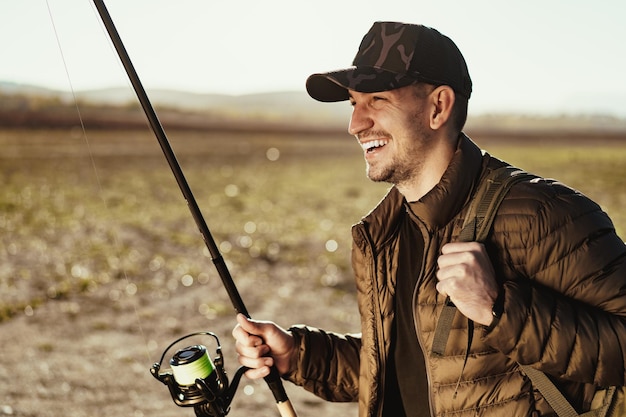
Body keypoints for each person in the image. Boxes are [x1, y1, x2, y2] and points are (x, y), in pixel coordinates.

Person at [232, 21, 626, 417]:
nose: (355, 125)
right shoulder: (380, 236)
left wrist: (500, 308)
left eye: (377, 100)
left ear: (438, 106)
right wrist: (298, 355)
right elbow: (400, 366)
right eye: (354, 103)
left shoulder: (542, 214)